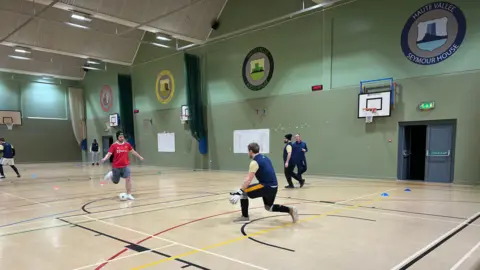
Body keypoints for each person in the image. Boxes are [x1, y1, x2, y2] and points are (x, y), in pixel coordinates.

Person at [229, 142, 299, 223]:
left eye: (248, 151)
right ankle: (290, 210)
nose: (248, 153)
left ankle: (244, 217)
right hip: (274, 186)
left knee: (243, 192)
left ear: (251, 151)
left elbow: (248, 180)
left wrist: (239, 192)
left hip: (267, 186)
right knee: (268, 207)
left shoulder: (254, 162)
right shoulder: (265, 158)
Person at [101, 131, 144, 200]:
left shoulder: (127, 144)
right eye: (120, 137)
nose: (122, 138)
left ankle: (129, 194)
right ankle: (111, 174)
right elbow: (109, 154)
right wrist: (104, 158)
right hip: (116, 167)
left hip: (125, 166)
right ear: (117, 137)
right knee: (116, 182)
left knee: (128, 178)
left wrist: (139, 157)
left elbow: (133, 151)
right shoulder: (114, 145)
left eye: (123, 137)